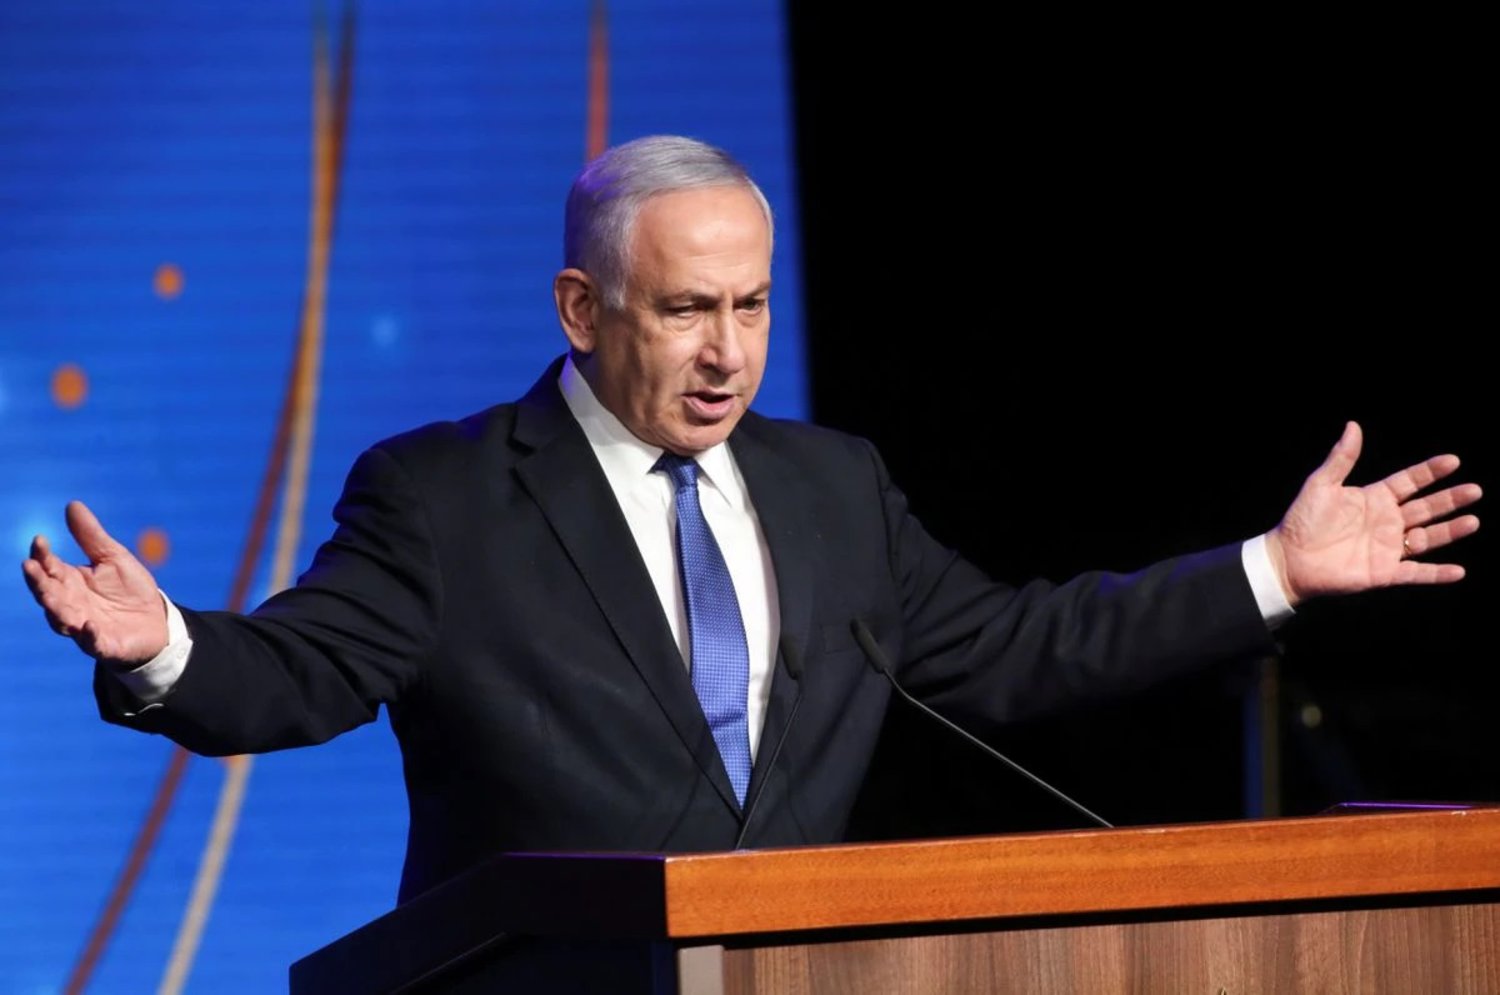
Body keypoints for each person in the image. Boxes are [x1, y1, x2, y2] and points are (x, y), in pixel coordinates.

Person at [23, 135, 1481, 906]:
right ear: (582, 311)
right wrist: (167, 649)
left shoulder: (828, 485)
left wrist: (1272, 572)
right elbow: (303, 673)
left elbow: (1023, 650)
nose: (728, 350)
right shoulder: (445, 495)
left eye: (751, 304)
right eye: (684, 310)